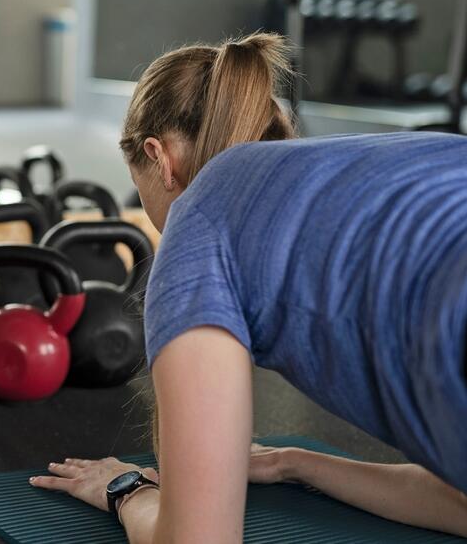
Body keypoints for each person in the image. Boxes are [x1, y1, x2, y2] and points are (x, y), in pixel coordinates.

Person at [31, 32, 467, 541]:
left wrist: (126, 488)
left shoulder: (200, 218)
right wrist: (296, 464)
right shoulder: (412, 158)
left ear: (159, 158)